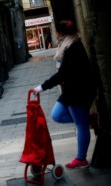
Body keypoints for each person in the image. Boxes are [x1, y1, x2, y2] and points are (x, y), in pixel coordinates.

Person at [33, 20, 97, 169]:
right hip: (71, 90)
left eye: (56, 31)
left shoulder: (73, 46)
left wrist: (42, 87)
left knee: (81, 125)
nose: (55, 34)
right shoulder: (67, 44)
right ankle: (89, 119)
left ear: (61, 33)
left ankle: (81, 158)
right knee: (57, 115)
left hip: (79, 91)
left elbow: (63, 73)